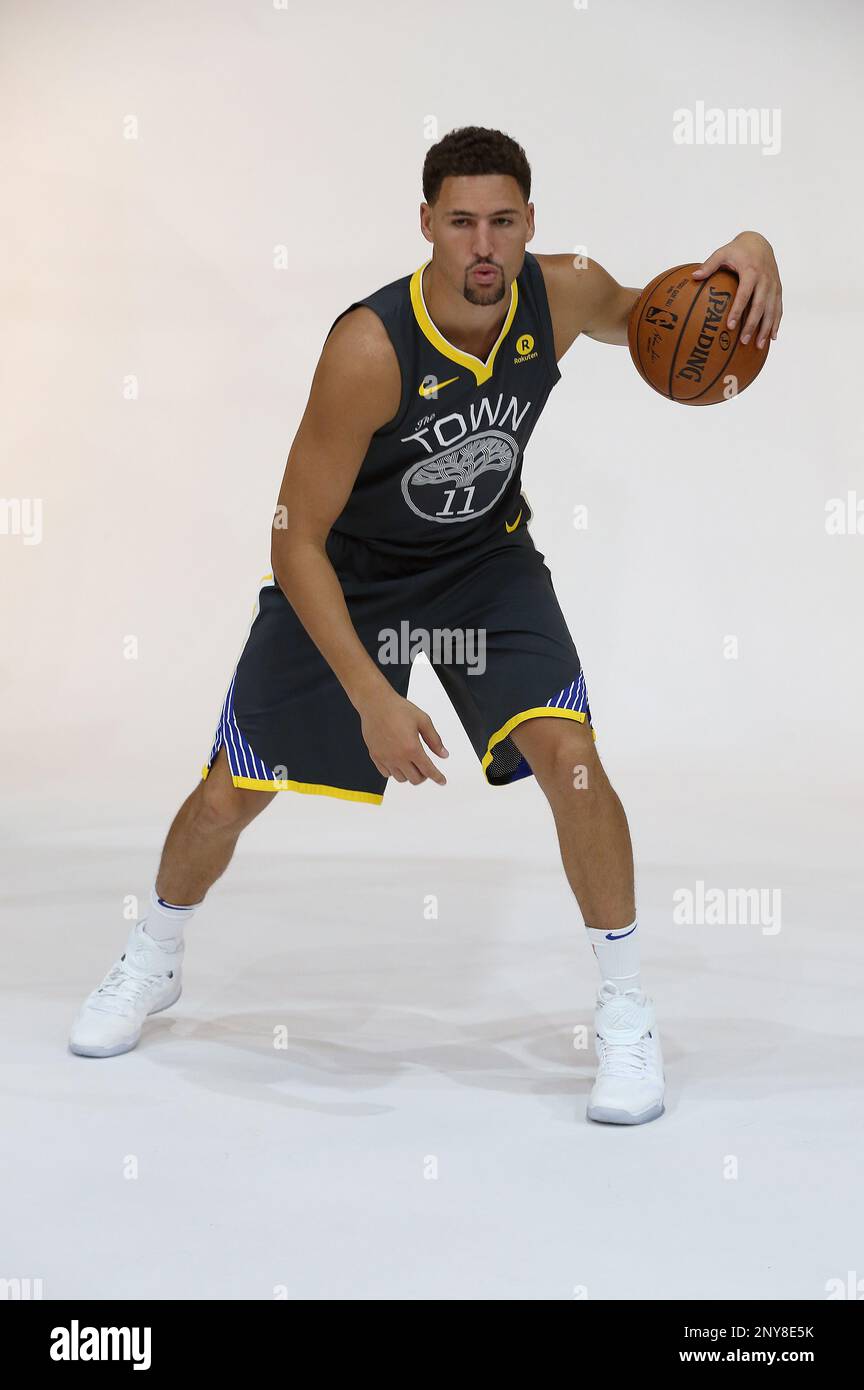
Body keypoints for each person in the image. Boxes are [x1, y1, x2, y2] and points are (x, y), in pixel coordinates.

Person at [69, 126, 782, 1125]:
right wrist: (373, 695)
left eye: (501, 221)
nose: (482, 245)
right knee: (231, 793)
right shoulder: (369, 347)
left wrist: (752, 246)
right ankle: (156, 955)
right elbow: (294, 542)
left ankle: (624, 1008)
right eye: (460, 223)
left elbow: (647, 315)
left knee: (572, 758)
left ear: (530, 223)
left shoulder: (562, 290)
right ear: (426, 227)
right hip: (349, 575)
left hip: (485, 568)